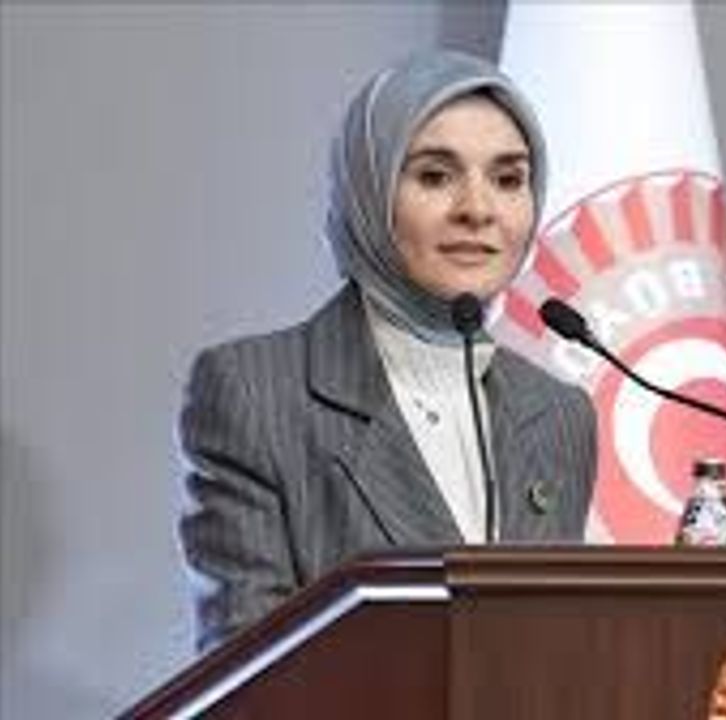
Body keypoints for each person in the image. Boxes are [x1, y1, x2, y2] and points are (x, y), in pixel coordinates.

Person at [177, 50, 598, 652]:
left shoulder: (560, 414)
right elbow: (249, 670)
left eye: (508, 180)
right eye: (434, 176)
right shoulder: (255, 393)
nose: (478, 210)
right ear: (367, 192)